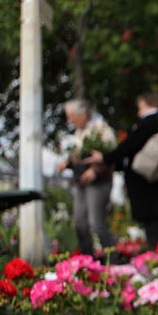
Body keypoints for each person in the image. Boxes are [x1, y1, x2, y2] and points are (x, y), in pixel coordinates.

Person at [86, 92, 158, 248]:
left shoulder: (150, 122)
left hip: (149, 187)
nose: (139, 112)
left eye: (141, 107)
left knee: (154, 233)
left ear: (149, 104)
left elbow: (129, 145)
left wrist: (105, 158)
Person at [56, 99, 117, 255]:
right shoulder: (79, 133)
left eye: (72, 116)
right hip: (81, 183)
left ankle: (113, 260)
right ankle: (87, 260)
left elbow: (111, 156)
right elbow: (81, 158)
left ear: (83, 114)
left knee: (96, 223)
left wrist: (95, 170)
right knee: (80, 224)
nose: (70, 120)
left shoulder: (102, 129)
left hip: (98, 182)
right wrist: (69, 163)